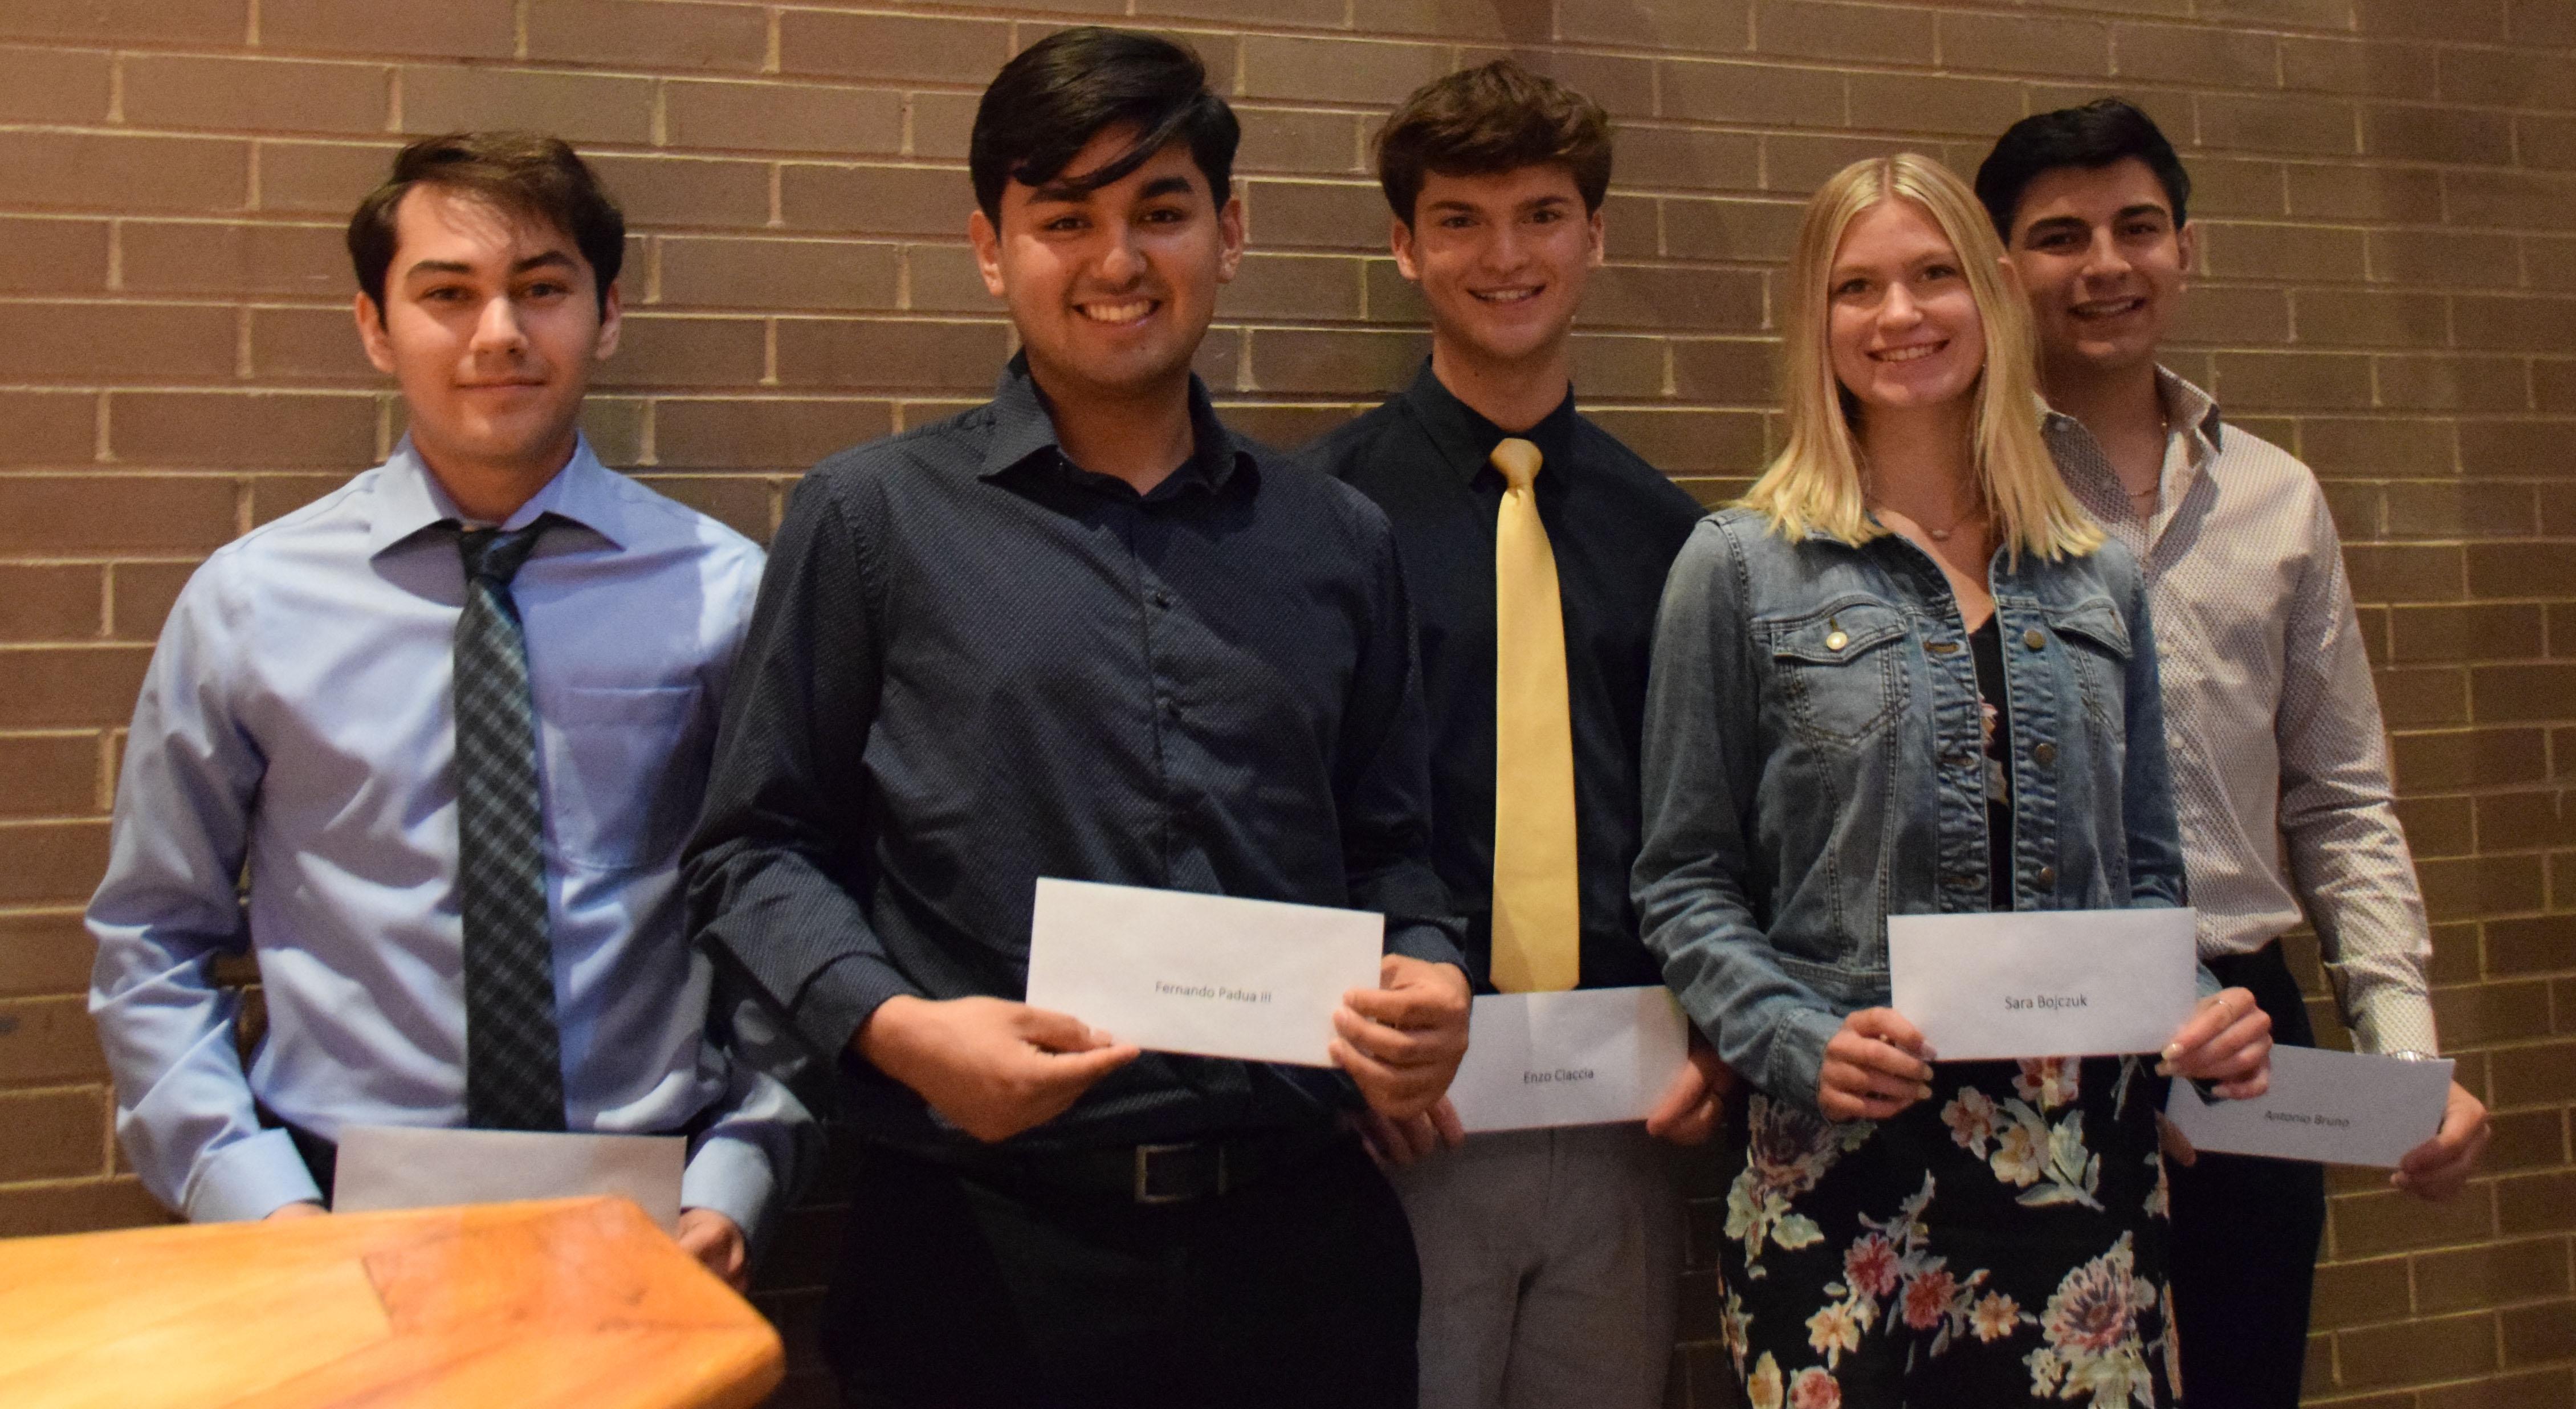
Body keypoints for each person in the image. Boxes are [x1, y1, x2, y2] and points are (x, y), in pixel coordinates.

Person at [682, 28, 1472, 1409]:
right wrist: (899, 1030)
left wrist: (1430, 970)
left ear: (1229, 232)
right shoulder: (871, 522)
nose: (1118, 260)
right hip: (977, 1254)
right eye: (1065, 220)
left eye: (1160, 211)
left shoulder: (1338, 541)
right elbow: (752, 852)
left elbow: (1391, 845)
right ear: (991, 250)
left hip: (1299, 1251)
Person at [85, 131, 808, 1287]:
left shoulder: (722, 594)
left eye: (542, 289)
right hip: (330, 1218)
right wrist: (254, 1199)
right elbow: (151, 937)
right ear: (375, 327)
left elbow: (783, 905)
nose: (499, 333)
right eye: (448, 294)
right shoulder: (251, 604)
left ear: (608, 315)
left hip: (648, 1215)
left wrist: (739, 1174)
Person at [1633, 152, 2275, 1407]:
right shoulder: (1738, 568)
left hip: (2083, 1173)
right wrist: (1789, 1036)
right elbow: (1685, 879)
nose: (1900, 314)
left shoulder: (2098, 576)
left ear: (1989, 297)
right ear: (1816, 323)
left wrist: (2200, 1005)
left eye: (1934, 276)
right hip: (1843, 1169)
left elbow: (2146, 876)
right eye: (1856, 286)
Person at [1976, 98, 2493, 1408]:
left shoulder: (2276, 497)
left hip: (2248, 1028)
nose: (2105, 265)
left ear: (2186, 250)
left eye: (2137, 227)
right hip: (2029, 1030)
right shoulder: (1955, 496)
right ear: (2000, 270)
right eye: (2060, 237)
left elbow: (2340, 800)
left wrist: (2403, 1055)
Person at [1302, 59, 1727, 1409]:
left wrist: (1721, 1035)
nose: (1505, 257)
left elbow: (1711, 825)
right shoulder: (1313, 521)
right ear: (1404, 246)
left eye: (1541, 215)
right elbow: (1282, 812)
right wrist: (1341, 1052)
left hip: (1621, 1112)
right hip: (1399, 1120)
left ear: (1594, 237)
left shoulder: (1680, 540)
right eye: (1460, 221)